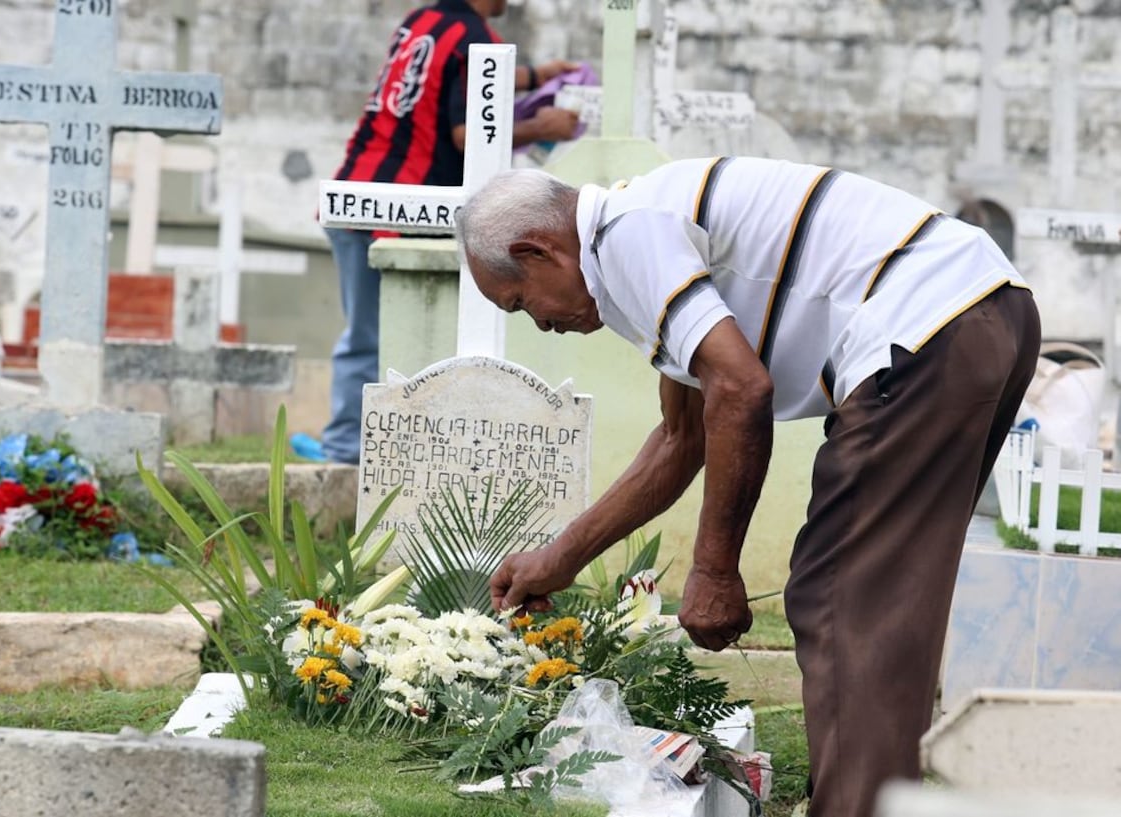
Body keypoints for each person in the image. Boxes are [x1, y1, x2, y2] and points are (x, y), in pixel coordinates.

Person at [454, 158, 1041, 817]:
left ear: (537, 251)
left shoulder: (627, 235)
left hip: (925, 325)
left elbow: (740, 389)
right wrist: (558, 558)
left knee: (838, 594)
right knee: (887, 597)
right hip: (988, 309)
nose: (542, 323)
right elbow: (683, 437)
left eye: (521, 303)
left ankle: (857, 804)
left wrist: (714, 570)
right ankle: (866, 795)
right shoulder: (642, 233)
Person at [298, 0, 580, 464]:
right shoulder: (475, 36)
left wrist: (537, 75)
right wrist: (540, 127)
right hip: (398, 209)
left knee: (364, 335)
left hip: (358, 190)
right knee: (375, 338)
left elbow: (457, 77)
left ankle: (356, 447)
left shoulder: (422, 22)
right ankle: (347, 454)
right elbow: (469, 134)